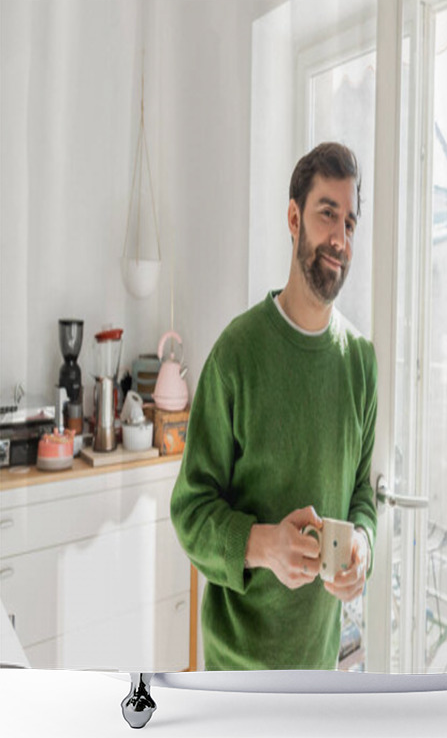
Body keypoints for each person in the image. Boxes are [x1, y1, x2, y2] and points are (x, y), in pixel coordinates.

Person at [170, 142, 378, 671]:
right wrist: (264, 545)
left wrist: (363, 549)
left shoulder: (360, 362)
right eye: (327, 213)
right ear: (293, 217)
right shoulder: (236, 355)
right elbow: (190, 513)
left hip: (319, 671)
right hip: (236, 675)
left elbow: (362, 496)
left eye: (350, 223)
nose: (339, 238)